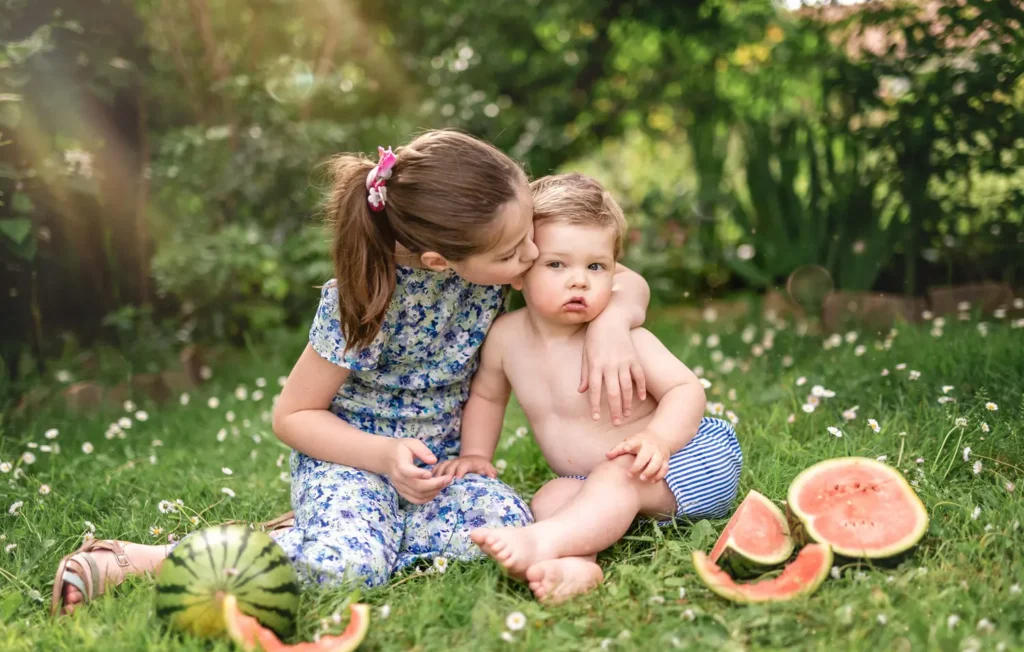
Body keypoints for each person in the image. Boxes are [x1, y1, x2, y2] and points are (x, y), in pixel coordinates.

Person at [51, 132, 653, 615]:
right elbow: (292, 416)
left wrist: (611, 322)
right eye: (517, 250)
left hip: (436, 471)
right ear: (440, 261)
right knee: (351, 570)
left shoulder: (495, 259)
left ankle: (341, 527)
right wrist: (383, 457)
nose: (532, 256)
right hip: (351, 460)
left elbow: (615, 277)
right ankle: (148, 559)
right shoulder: (362, 300)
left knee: (509, 525)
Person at [437, 173, 743, 603]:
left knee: (619, 474)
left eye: (595, 266)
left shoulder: (621, 340)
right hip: (597, 480)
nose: (579, 280)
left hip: (684, 462)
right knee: (550, 496)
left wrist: (658, 438)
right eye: (557, 265)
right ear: (520, 270)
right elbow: (488, 396)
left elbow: (684, 389)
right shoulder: (505, 338)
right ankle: (578, 566)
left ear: (615, 273)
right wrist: (475, 453)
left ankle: (542, 542)